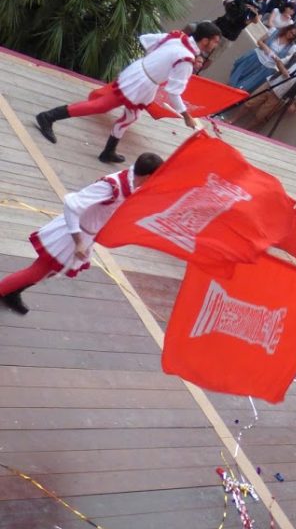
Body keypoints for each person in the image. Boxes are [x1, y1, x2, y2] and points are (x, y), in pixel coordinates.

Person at [34, 22, 223, 163]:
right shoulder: (186, 60)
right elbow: (173, 92)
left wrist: (158, 62)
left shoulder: (178, 37)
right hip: (142, 83)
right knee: (101, 106)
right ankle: (49, 117)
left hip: (139, 73)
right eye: (215, 41)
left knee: (130, 116)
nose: (215, 45)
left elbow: (147, 40)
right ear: (205, 40)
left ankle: (108, 151)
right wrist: (186, 116)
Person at [0, 153, 164, 315]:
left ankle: (12, 292)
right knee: (38, 271)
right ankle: (6, 290)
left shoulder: (134, 184)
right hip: (72, 235)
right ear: (149, 176)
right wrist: (78, 241)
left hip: (85, 235)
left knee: (49, 272)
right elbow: (72, 206)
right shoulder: (111, 186)